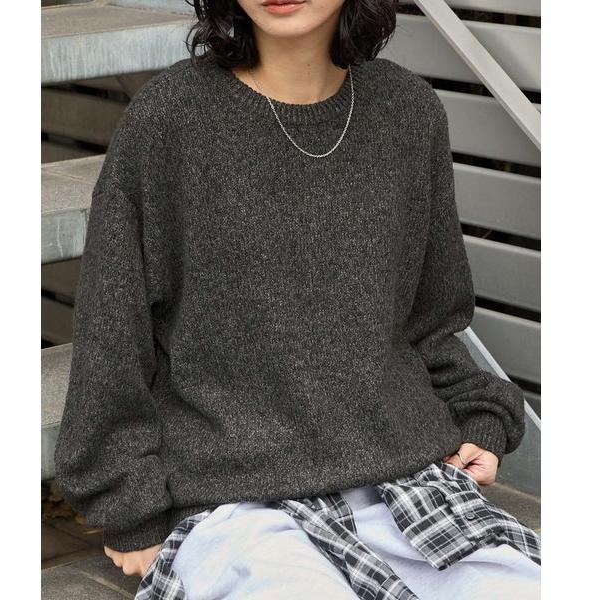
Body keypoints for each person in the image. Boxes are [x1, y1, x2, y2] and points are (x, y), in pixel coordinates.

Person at [53, 1, 541, 598]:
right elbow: (113, 329)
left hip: (402, 481)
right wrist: (129, 508)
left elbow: (432, 318)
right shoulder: (170, 117)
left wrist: (480, 418)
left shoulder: (407, 111)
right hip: (232, 498)